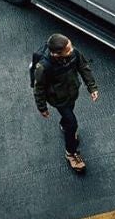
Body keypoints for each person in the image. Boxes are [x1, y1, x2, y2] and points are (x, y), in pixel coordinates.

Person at [32, 33, 99, 172]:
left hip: (72, 93)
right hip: (59, 99)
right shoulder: (44, 67)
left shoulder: (73, 53)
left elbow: (83, 67)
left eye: (70, 45)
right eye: (68, 50)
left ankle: (65, 126)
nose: (72, 49)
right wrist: (42, 107)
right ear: (56, 54)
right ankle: (71, 153)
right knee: (72, 123)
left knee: (69, 116)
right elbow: (39, 88)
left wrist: (91, 86)